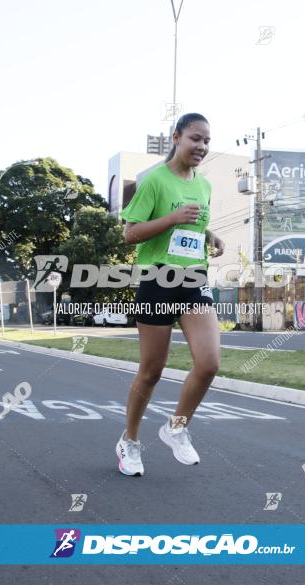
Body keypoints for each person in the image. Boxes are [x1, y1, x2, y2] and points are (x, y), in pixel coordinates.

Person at [115, 113, 224, 476]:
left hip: (193, 278)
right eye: (195, 138)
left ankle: (176, 428)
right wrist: (172, 219)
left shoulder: (204, 185)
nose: (202, 147)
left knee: (208, 364)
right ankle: (129, 441)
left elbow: (195, 223)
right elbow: (130, 234)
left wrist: (211, 236)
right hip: (158, 279)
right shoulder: (155, 181)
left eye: (207, 141)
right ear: (176, 137)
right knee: (151, 372)